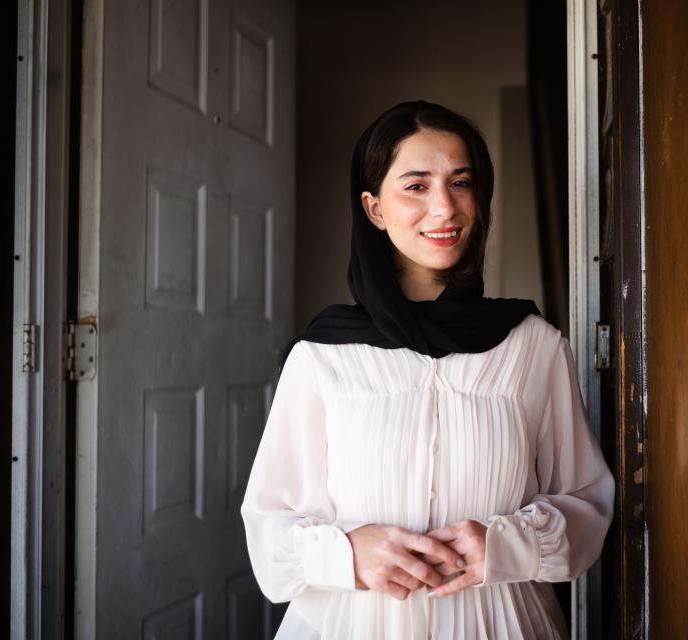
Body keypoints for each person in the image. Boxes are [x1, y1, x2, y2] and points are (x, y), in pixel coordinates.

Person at [240, 101, 614, 639]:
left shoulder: (533, 347)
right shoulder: (321, 356)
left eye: (460, 182)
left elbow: (589, 503)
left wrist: (508, 544)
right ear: (373, 208)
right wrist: (346, 554)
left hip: (502, 625)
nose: (445, 207)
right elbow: (268, 528)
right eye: (416, 186)